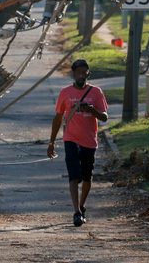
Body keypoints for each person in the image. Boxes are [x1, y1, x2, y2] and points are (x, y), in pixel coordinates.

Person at [47, 59, 108, 227]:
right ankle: (76, 212)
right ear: (73, 74)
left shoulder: (96, 92)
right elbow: (58, 117)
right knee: (74, 176)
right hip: (70, 139)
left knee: (87, 177)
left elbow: (104, 117)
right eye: (78, 72)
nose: (81, 75)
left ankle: (82, 205)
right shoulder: (65, 93)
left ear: (88, 73)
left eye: (84, 72)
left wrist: (91, 110)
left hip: (89, 140)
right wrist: (51, 142)